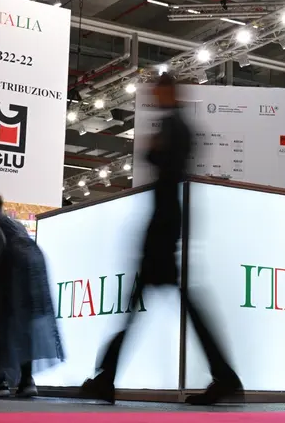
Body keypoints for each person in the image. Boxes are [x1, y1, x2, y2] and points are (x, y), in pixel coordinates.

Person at [80, 73, 242, 406]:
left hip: (163, 222)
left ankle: (107, 379)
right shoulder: (176, 125)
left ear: (168, 92)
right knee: (155, 303)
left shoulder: (174, 126)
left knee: (144, 304)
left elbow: (157, 160)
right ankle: (223, 378)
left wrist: (154, 150)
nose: (153, 97)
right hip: (167, 219)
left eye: (157, 91)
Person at [0, 181, 64, 398]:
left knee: (0, 321)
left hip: (14, 262)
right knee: (26, 323)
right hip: (35, 260)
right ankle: (26, 380)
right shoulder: (9, 220)